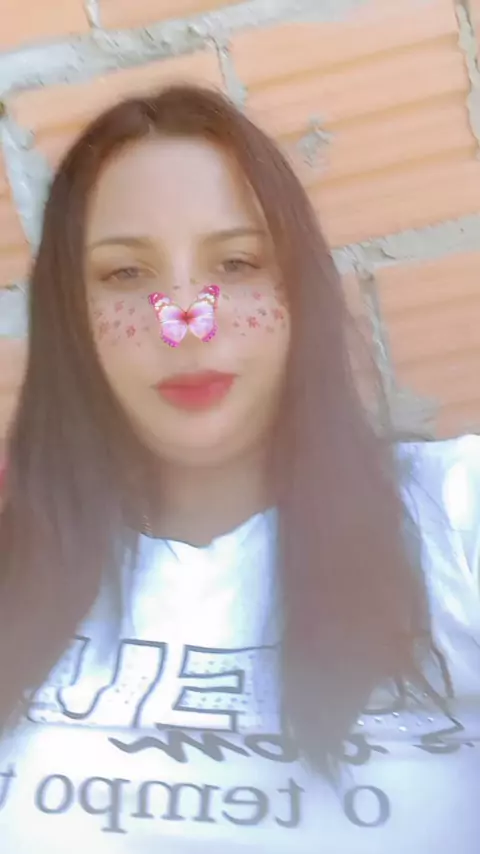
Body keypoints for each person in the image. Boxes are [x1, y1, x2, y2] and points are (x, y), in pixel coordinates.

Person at [0, 84, 478, 853]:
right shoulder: (15, 569)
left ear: (299, 291)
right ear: (70, 317)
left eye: (237, 262)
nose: (187, 323)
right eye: (125, 275)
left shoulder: (452, 519)